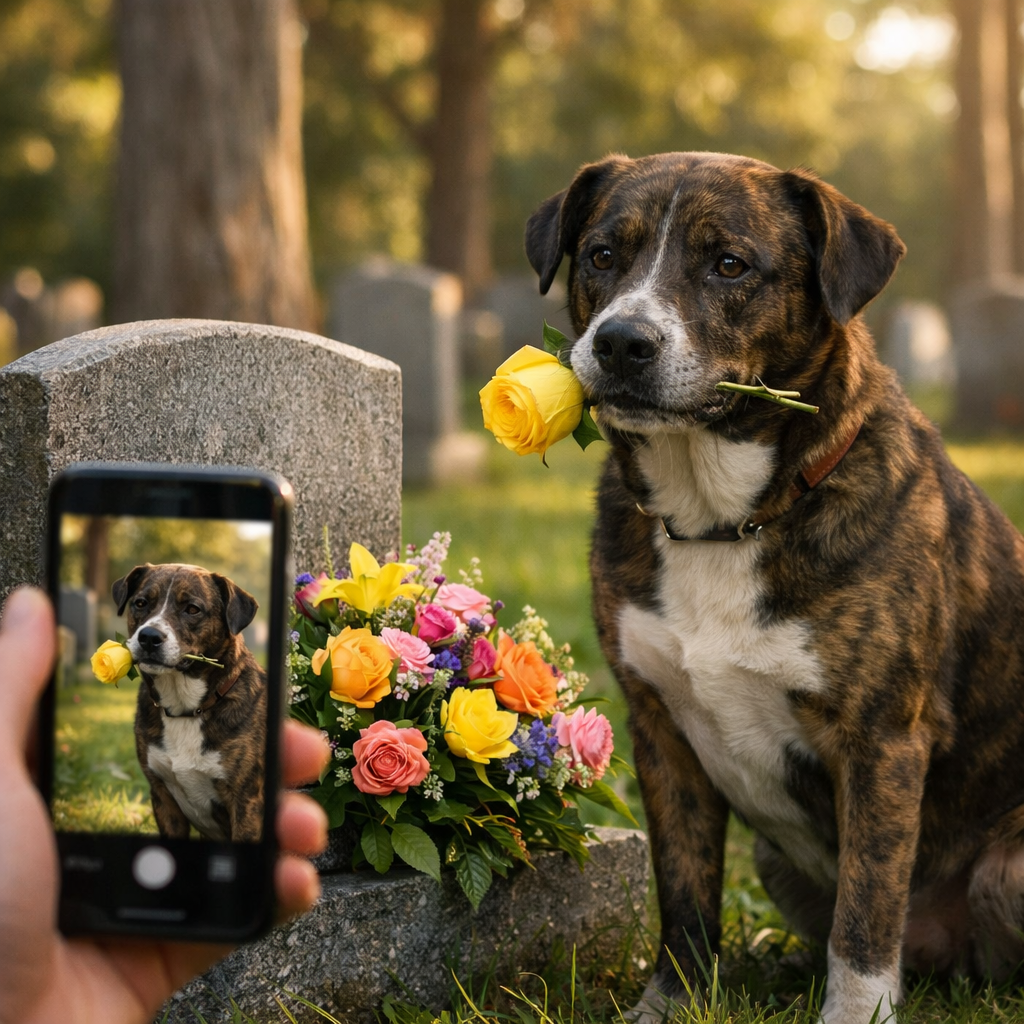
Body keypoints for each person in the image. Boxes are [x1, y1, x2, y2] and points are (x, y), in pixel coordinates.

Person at [0, 587, 331, 1024]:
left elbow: (248, 813)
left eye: (190, 610)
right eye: (142, 606)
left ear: (228, 624)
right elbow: (165, 798)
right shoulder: (152, 707)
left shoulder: (250, 706)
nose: (154, 627)